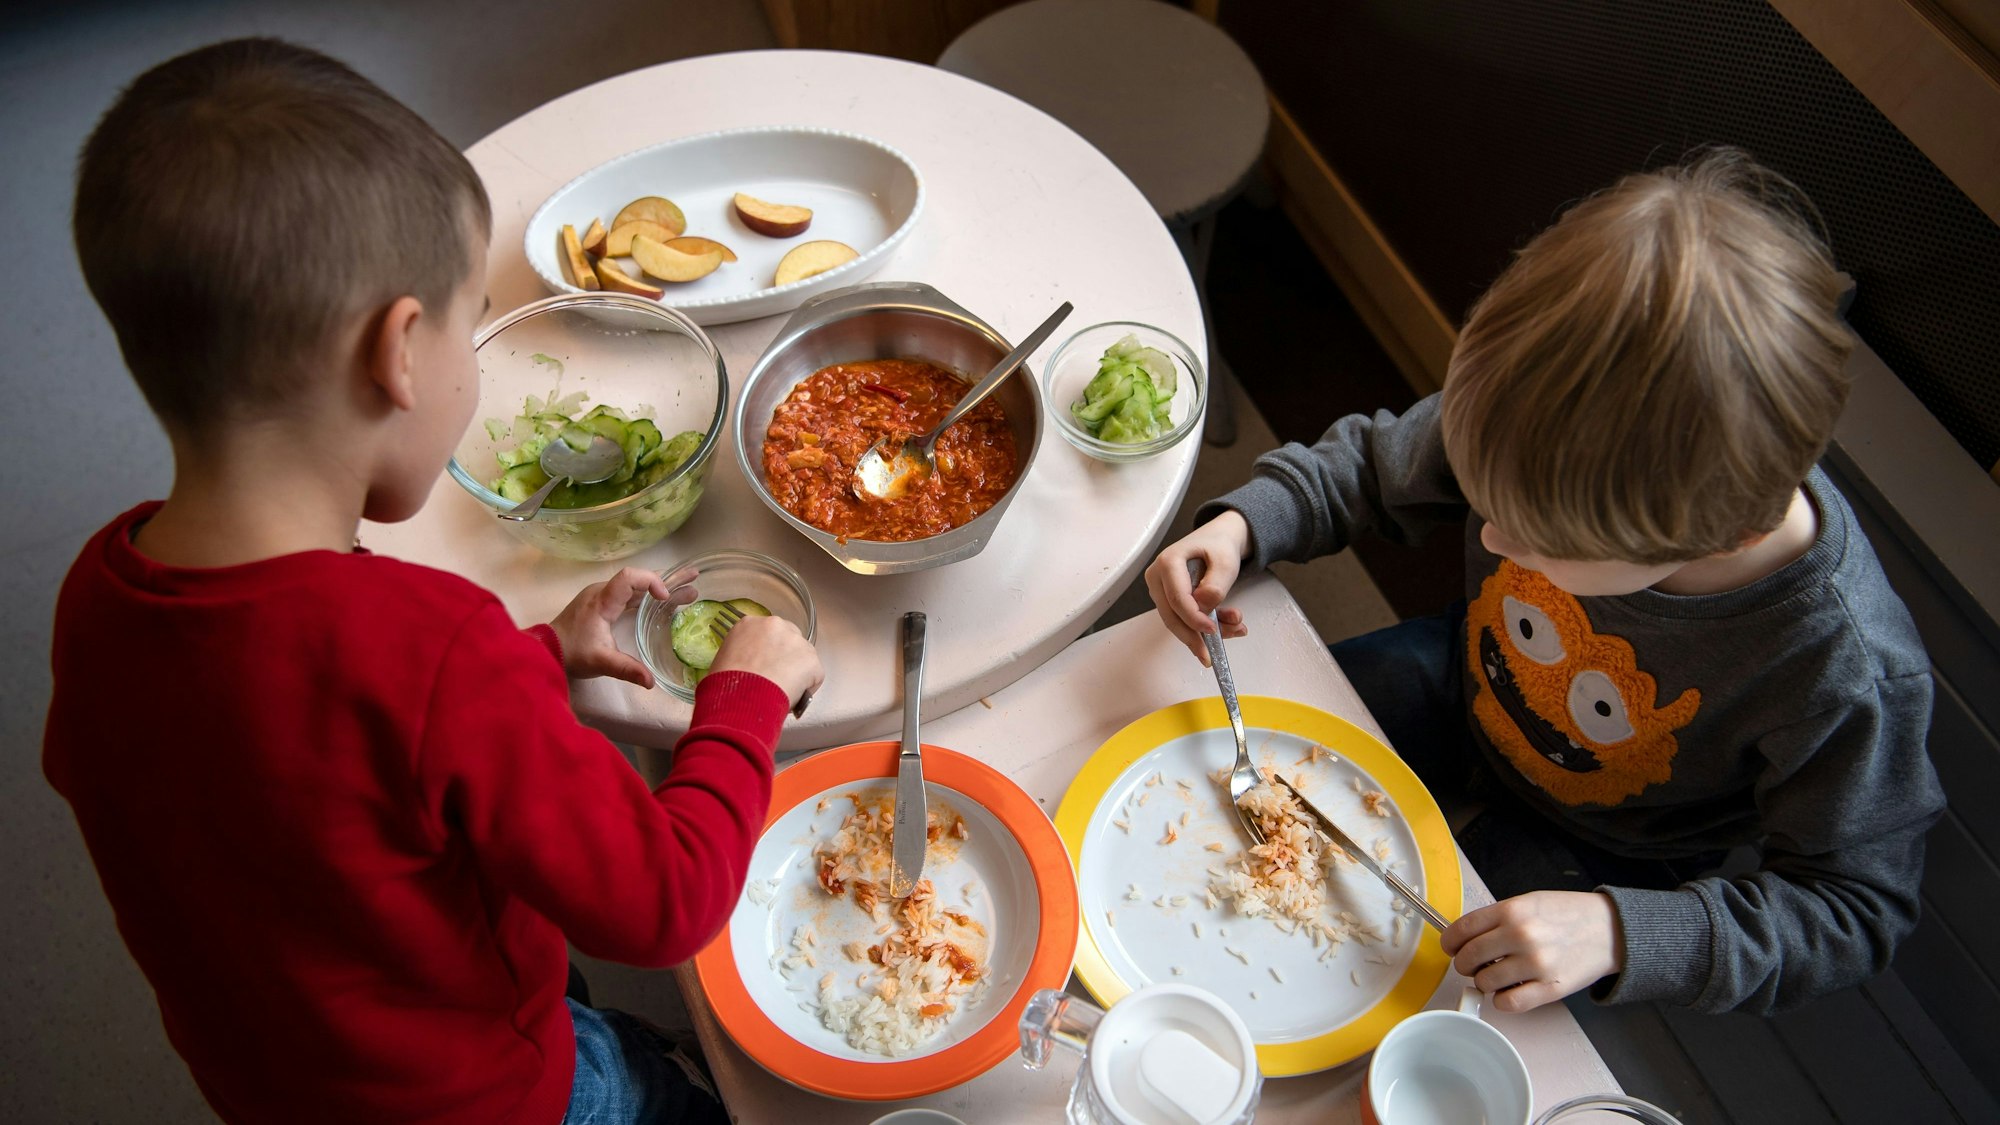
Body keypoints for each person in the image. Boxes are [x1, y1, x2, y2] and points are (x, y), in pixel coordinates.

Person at [42, 38, 822, 1124]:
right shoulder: (431, 645)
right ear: (399, 352)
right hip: (494, 1095)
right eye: (470, 321)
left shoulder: (95, 592)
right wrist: (746, 696)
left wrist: (530, 665)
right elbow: (663, 901)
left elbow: (311, 765)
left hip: (281, 1077)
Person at [1145, 149, 1944, 1017]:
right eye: (1488, 503)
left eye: (1535, 539)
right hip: (1467, 679)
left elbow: (1854, 909)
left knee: (1425, 996)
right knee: (1227, 767)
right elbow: (1375, 466)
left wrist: (1618, 931)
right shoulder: (1546, 417)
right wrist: (1247, 522)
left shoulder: (1841, 672)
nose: (1487, 535)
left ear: (1721, 536)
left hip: (1619, 852)